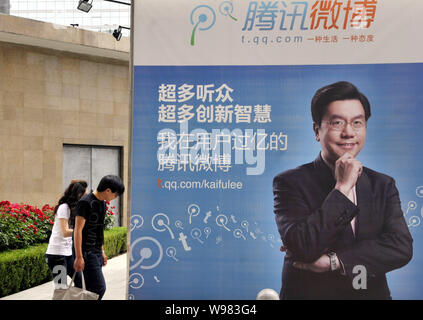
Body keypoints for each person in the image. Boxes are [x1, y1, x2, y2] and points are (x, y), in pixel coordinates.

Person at [273, 81, 413, 300]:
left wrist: (333, 261)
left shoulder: (382, 185)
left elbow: (401, 247)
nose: (349, 132)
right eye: (337, 123)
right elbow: (304, 247)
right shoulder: (290, 182)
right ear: (317, 130)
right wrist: (342, 187)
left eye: (357, 122)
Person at [73, 175, 125, 300]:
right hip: (86, 252)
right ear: (108, 190)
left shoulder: (102, 204)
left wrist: (102, 251)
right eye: (115, 194)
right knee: (99, 287)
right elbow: (77, 231)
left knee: (92, 289)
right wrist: (79, 257)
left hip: (96, 251)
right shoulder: (85, 202)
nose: (115, 198)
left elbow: (98, 229)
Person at [45, 180, 88, 288]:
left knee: (81, 283)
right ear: (79, 194)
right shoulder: (64, 208)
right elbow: (65, 232)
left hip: (68, 253)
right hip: (56, 255)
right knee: (61, 289)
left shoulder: (76, 208)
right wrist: (82, 231)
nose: (87, 197)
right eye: (85, 194)